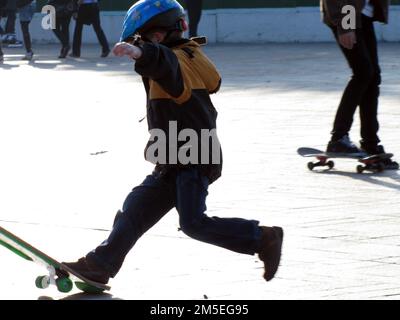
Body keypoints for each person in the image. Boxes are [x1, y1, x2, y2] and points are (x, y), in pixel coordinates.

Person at [64, 0, 283, 285]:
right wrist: (145, 51)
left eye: (140, 39)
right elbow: (211, 80)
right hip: (174, 156)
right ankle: (99, 265)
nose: (137, 46)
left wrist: (140, 52)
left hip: (193, 156)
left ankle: (262, 237)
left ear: (157, 36)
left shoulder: (175, 62)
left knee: (193, 223)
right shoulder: (192, 54)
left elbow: (163, 62)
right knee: (135, 209)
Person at [321, 0, 398, 169]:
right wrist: (346, 26)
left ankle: (370, 143)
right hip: (347, 15)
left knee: (372, 77)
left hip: (363, 15)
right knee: (363, 73)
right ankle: (338, 138)